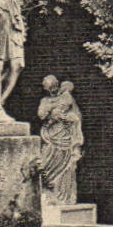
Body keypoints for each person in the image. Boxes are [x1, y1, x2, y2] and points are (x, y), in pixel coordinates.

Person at [37, 76, 83, 204]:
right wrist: (52, 110)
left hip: (64, 137)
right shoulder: (45, 100)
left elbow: (76, 117)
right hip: (50, 136)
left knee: (66, 167)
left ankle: (63, 197)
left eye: (52, 86)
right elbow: (41, 114)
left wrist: (65, 116)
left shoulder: (67, 98)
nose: (51, 89)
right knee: (45, 165)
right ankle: (48, 194)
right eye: (48, 87)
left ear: (56, 85)